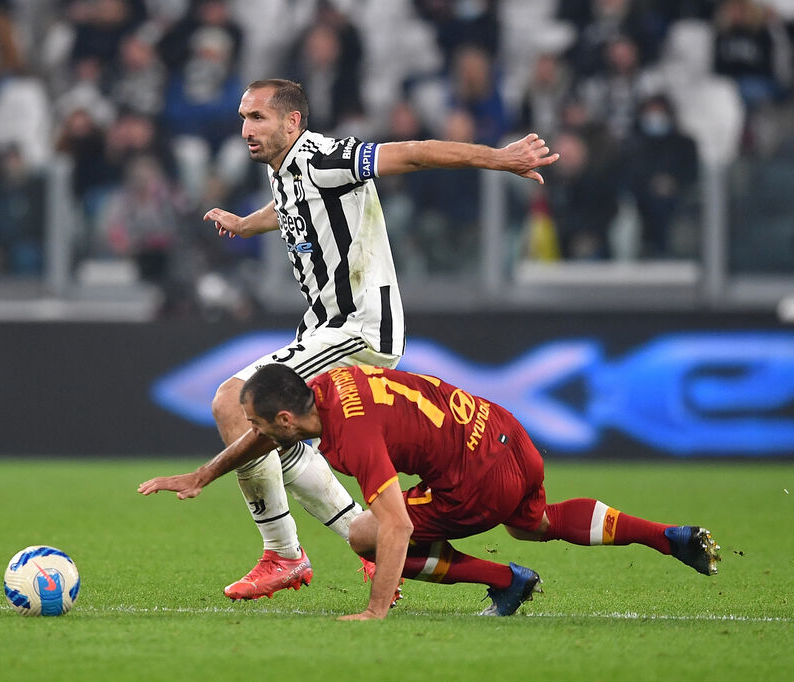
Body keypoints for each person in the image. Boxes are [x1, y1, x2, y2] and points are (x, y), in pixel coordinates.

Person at [138, 79, 559, 602]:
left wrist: (498, 158)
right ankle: (361, 541)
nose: (246, 128)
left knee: (233, 401)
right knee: (281, 427)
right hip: (325, 327)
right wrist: (247, 225)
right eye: (244, 117)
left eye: (258, 118)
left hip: (359, 327)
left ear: (292, 122)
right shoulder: (283, 168)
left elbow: (414, 153)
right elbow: (293, 205)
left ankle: (283, 555)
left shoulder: (325, 157)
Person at [234, 363, 722, 620]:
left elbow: (396, 526)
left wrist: (374, 611)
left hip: (475, 482)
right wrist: (206, 474)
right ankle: (665, 536)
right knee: (535, 524)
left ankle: (506, 580)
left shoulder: (352, 435)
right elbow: (272, 433)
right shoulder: (331, 382)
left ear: (285, 419)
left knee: (367, 534)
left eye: (255, 423)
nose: (251, 431)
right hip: (504, 431)